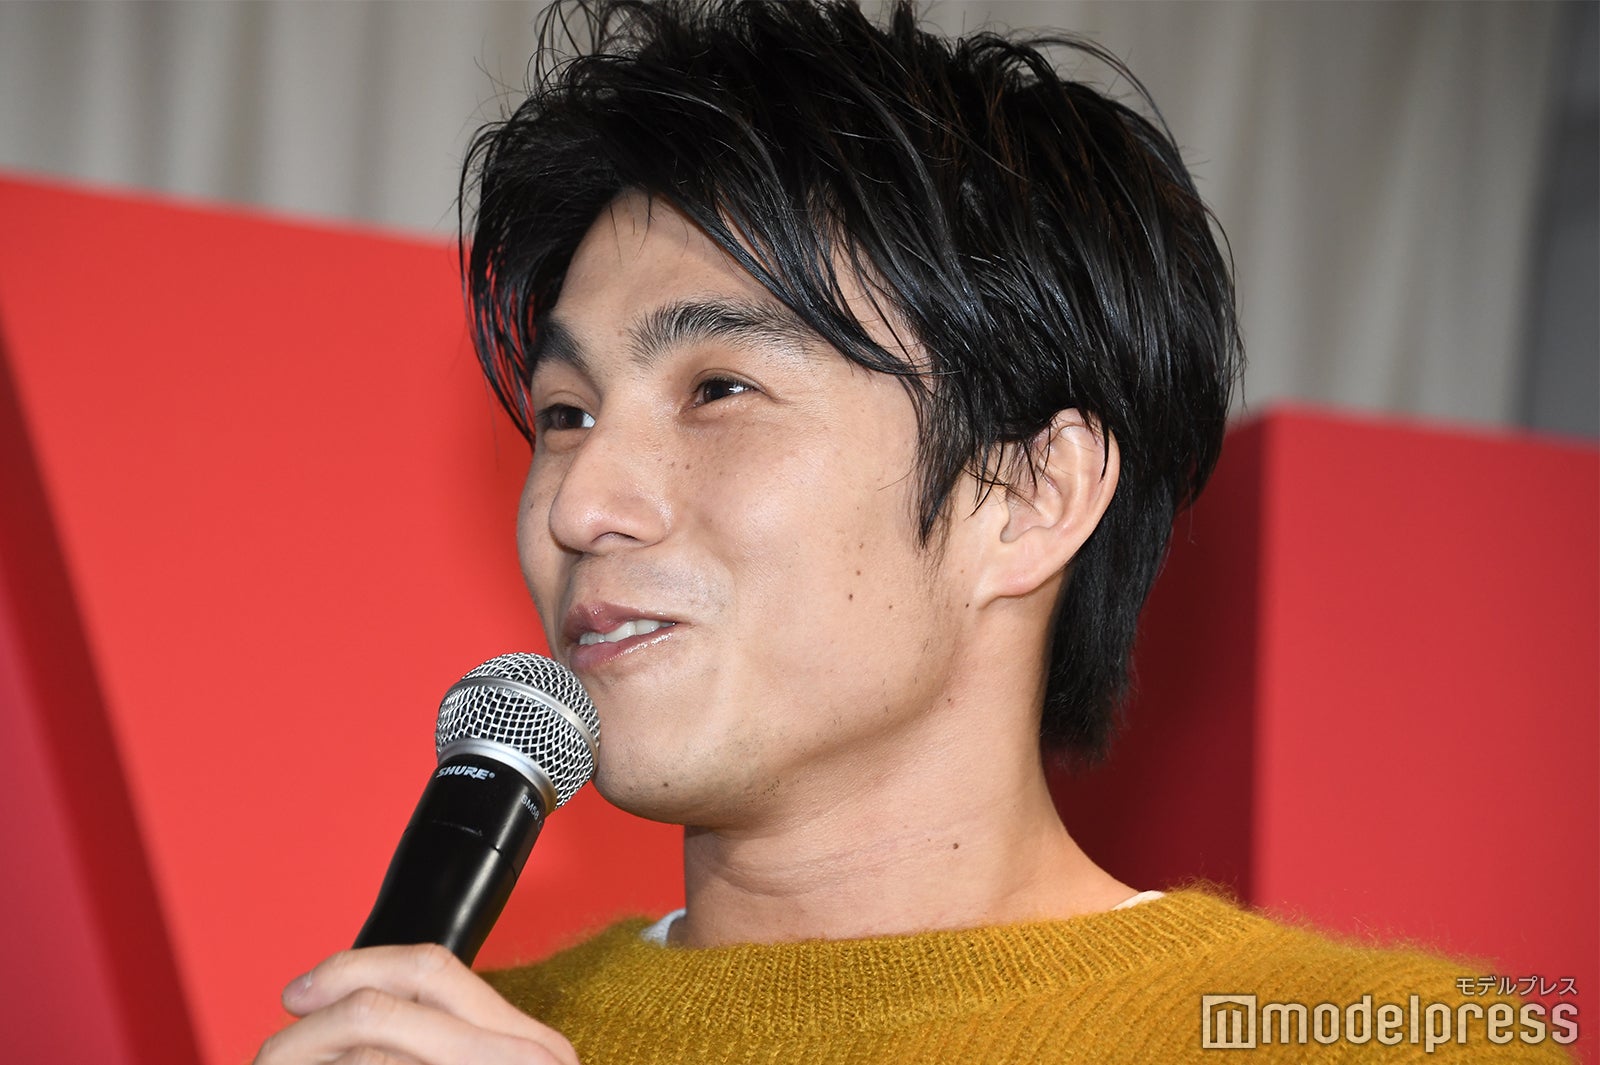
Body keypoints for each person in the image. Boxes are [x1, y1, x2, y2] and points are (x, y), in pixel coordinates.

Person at [254, 2, 1575, 1062]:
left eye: (719, 390)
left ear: (1029, 493)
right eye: (565, 412)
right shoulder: (436, 1037)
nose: (580, 504)